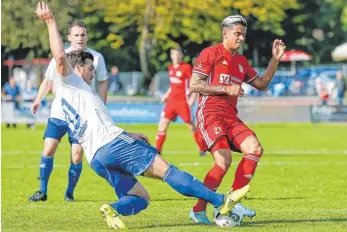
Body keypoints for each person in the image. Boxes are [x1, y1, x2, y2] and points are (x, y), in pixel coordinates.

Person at [34, 2, 250, 229]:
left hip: (96, 157)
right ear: (77, 68)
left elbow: (96, 124)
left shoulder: (73, 96)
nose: (93, 72)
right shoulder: (72, 82)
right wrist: (50, 21)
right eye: (90, 68)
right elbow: (60, 58)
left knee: (141, 198)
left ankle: (113, 208)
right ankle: (220, 201)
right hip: (114, 145)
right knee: (167, 171)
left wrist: (128, 133)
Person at [188, 15, 286, 224]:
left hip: (231, 117)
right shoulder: (210, 53)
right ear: (225, 34)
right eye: (237, 34)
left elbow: (261, 84)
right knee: (223, 161)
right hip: (210, 115)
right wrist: (226, 88)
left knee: (255, 148)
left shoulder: (241, 61)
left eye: (243, 35)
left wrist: (275, 60)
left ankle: (233, 200)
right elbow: (195, 85)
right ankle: (197, 210)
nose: (241, 38)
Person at [28, 18, 108, 202]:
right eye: (76, 35)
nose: (80, 38)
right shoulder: (60, 57)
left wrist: (102, 105)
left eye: (83, 34)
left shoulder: (96, 58)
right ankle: (42, 191)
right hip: (59, 113)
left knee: (77, 155)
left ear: (87, 36)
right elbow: (48, 80)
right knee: (48, 149)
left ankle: (69, 193)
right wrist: (38, 99)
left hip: (82, 116)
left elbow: (103, 82)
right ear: (69, 37)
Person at [156, 47, 206, 156]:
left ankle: (202, 148)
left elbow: (194, 84)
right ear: (171, 56)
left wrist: (193, 98)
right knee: (163, 124)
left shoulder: (186, 67)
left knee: (191, 126)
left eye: (178, 54)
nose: (176, 57)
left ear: (181, 56)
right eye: (174, 54)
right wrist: (166, 95)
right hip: (171, 102)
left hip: (183, 102)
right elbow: (172, 85)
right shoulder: (170, 68)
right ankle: (158, 151)